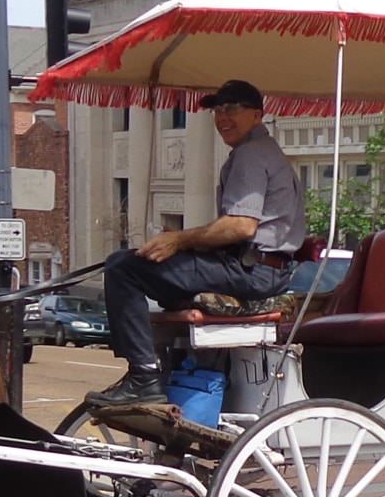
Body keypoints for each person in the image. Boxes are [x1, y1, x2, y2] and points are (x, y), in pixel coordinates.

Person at [88, 79, 306, 407]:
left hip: (254, 272)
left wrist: (178, 239)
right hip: (259, 269)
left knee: (123, 268)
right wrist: (178, 244)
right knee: (147, 267)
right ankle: (180, 373)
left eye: (232, 108)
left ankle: (144, 376)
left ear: (257, 115)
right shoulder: (264, 153)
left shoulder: (250, 154)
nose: (222, 117)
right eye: (217, 110)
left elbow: (241, 227)